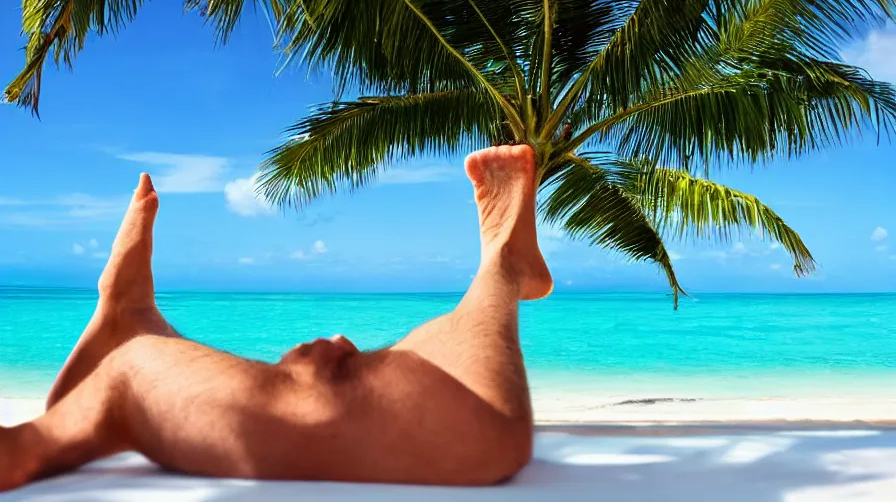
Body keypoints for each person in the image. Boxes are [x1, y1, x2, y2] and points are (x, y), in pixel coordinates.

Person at [0, 145, 553, 491]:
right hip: (127, 385)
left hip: (125, 388)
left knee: (130, 379)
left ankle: (127, 323)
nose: (341, 340)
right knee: (474, 428)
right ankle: (503, 269)